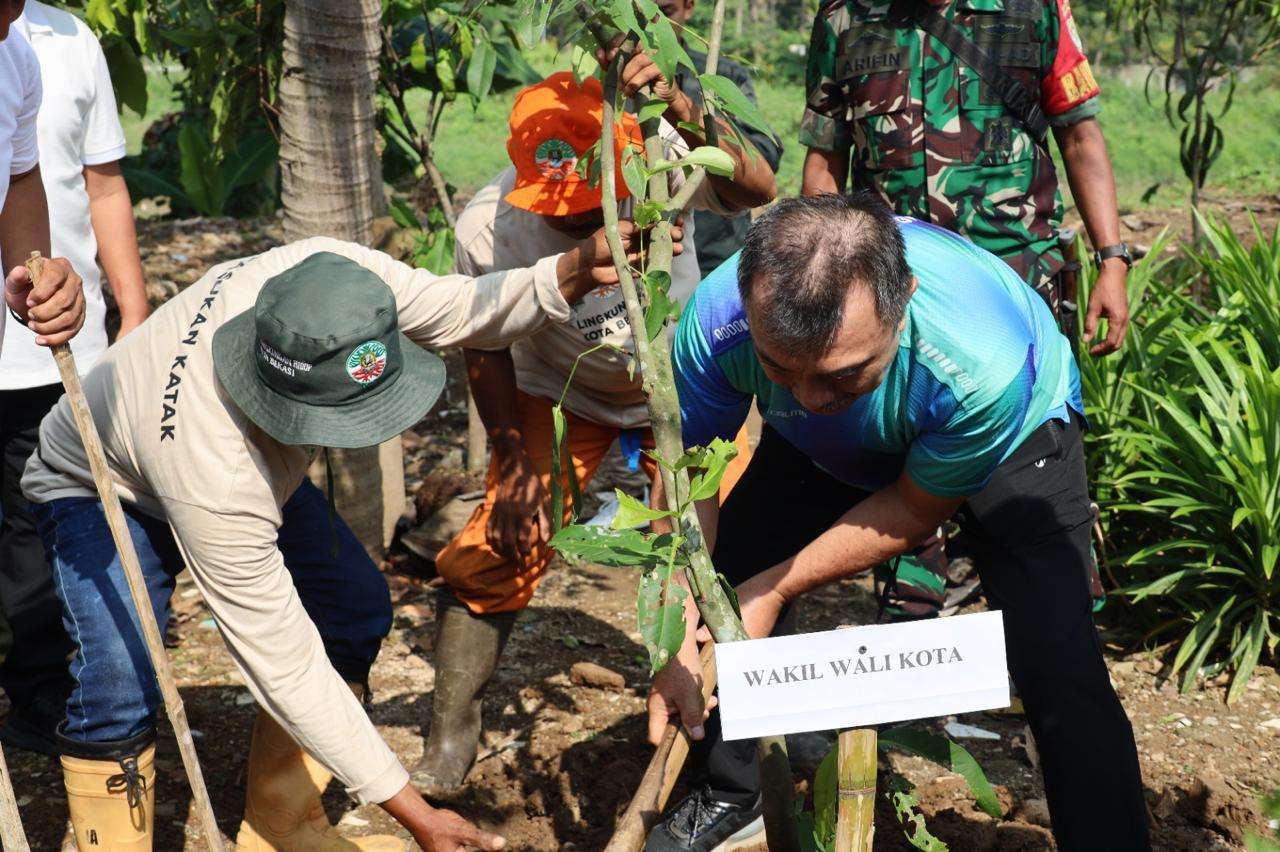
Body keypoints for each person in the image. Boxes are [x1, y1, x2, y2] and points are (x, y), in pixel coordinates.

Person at [21, 228, 666, 851]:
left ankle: (281, 823)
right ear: (286, 404)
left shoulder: (328, 275)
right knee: (120, 680)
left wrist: (576, 267)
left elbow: (457, 307)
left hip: (215, 456)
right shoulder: (218, 474)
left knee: (350, 611)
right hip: (99, 480)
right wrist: (418, 815)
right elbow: (284, 664)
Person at [645, 194, 1149, 851]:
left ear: (902, 298)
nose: (808, 399)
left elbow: (914, 508)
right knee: (726, 580)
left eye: (842, 373)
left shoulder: (982, 364)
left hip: (1012, 438)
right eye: (778, 369)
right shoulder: (721, 321)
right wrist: (675, 617)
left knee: (1058, 658)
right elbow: (684, 475)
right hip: (827, 448)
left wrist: (774, 590)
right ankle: (738, 795)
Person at [416, 67, 775, 793]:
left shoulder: (663, 162)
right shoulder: (488, 229)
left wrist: (682, 102)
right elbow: (482, 345)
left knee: (727, 555)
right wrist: (512, 457)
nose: (584, 226)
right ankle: (449, 740)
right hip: (560, 395)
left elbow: (758, 189)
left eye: (593, 208)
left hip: (684, 388)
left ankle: (724, 753)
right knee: (498, 542)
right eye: (566, 215)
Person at [799, 0, 1129, 620]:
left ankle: (1046, 656)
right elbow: (825, 165)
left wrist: (1112, 259)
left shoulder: (1034, 10)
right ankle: (922, 664)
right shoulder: (846, 16)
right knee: (904, 465)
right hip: (900, 297)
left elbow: (1080, 135)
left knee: (1036, 472)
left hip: (1019, 291)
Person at [0, 0, 150, 758]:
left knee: (38, 524)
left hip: (35, 347)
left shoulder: (27, 50)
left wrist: (39, 270)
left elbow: (32, 175)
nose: (10, 19)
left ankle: (42, 698)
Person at [660, 0, 784, 275]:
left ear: (688, 7)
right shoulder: (611, 84)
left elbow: (764, 153)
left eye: (665, 13)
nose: (654, 23)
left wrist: (698, 125)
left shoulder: (721, 74)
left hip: (719, 257)